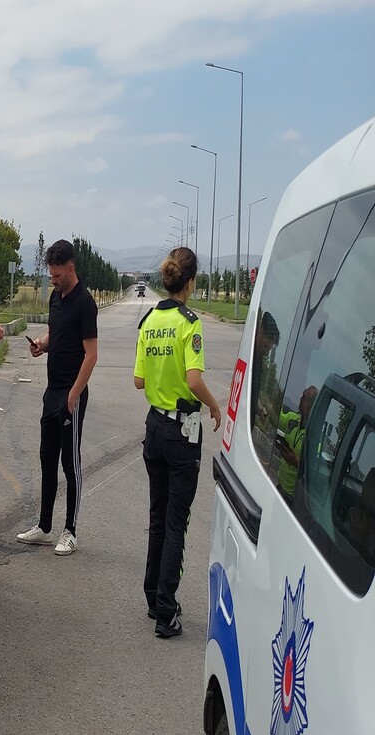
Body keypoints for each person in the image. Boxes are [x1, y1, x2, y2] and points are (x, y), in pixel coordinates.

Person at [132, 247, 222, 638]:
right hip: (182, 431)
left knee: (158, 516)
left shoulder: (150, 320)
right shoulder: (190, 323)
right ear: (189, 283)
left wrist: (158, 377)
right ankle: (166, 613)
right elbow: (194, 380)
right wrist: (215, 407)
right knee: (176, 523)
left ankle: (154, 598)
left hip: (154, 426)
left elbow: (138, 380)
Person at [17, 239, 99, 555]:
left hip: (71, 395)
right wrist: (41, 343)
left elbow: (91, 355)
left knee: (70, 464)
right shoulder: (56, 297)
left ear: (70, 268)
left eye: (56, 275)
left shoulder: (86, 303)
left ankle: (71, 531)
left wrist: (75, 393)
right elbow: (57, 335)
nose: (52, 280)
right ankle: (45, 526)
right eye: (50, 275)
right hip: (51, 393)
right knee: (46, 459)